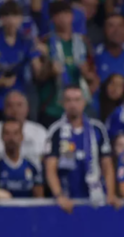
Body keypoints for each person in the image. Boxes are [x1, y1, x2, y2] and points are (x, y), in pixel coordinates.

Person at [45, 85, 118, 213]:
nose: (73, 104)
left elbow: (107, 164)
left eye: (77, 100)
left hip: (95, 197)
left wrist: (110, 194)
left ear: (84, 102)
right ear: (62, 103)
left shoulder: (98, 129)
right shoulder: (55, 131)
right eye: (68, 100)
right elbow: (50, 168)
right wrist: (59, 196)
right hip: (67, 199)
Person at [0, 1, 43, 129]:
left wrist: (48, 59)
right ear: (1, 19)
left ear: (21, 19)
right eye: (7, 16)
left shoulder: (27, 41)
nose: (11, 21)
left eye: (15, 16)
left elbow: (38, 72)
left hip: (18, 101)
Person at [0, 91, 48, 168]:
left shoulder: (40, 131)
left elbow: (43, 158)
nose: (14, 109)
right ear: (4, 109)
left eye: (19, 105)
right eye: (10, 105)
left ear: (27, 108)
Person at [0, 117, 43, 198]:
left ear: (22, 136)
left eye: (15, 133)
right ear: (1, 136)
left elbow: (39, 197)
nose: (11, 138)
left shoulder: (33, 164)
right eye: (7, 133)